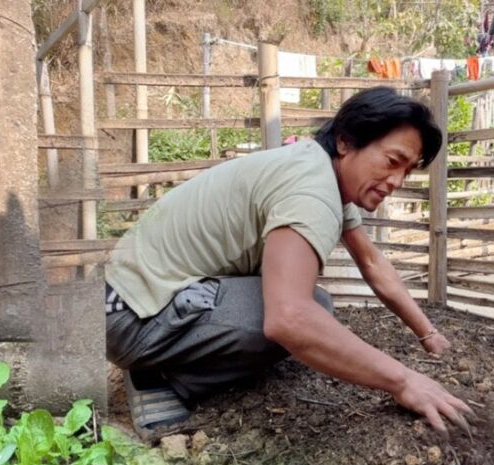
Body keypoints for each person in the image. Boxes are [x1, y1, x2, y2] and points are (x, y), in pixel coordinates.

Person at [104, 87, 474, 440]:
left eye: (407, 171)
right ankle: (158, 376)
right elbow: (290, 319)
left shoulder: (319, 171)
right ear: (346, 141)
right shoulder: (311, 189)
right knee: (306, 313)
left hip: (134, 300)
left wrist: (428, 334)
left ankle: (167, 359)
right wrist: (404, 381)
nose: (396, 181)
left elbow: (372, 263)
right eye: (392, 162)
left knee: (312, 308)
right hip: (131, 319)